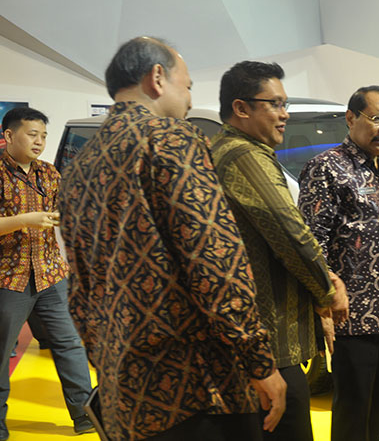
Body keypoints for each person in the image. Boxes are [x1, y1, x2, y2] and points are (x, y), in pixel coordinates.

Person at [57, 37, 286, 441]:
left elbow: (80, 288)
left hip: (125, 388)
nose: (190, 98)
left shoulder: (81, 165)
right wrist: (258, 360)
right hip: (194, 385)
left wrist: (106, 360)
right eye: (188, 85)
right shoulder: (172, 139)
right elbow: (216, 262)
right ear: (157, 77)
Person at [210, 61, 349, 440]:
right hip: (269, 339)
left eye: (284, 104)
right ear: (241, 108)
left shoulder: (232, 150)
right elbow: (290, 234)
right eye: (274, 104)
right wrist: (327, 290)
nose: (284, 114)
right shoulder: (244, 156)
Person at [298, 86, 379, 441]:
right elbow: (311, 243)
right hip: (353, 316)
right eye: (376, 119)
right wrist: (324, 299)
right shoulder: (327, 168)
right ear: (351, 118)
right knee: (353, 411)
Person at [0, 107, 95, 440]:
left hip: (50, 274)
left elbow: (62, 212)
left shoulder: (49, 172)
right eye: (32, 134)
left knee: (70, 345)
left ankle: (86, 416)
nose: (39, 141)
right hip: (8, 278)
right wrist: (25, 220)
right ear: (9, 135)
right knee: (2, 353)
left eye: (43, 135)